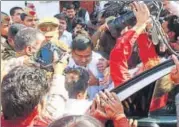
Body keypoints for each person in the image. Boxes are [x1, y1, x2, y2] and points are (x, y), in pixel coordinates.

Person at [68, 34, 112, 100]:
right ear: (72, 53)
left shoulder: (100, 61)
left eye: (87, 56)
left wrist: (97, 82)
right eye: (79, 56)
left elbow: (111, 84)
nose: (83, 60)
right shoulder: (66, 64)